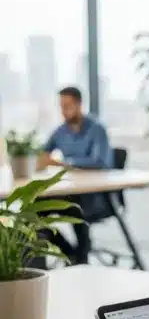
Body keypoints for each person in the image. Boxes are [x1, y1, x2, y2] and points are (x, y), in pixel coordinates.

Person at [38, 86, 114, 264]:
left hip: (95, 197)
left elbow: (101, 163)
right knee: (34, 209)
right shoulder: (61, 131)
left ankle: (81, 258)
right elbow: (43, 153)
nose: (64, 111)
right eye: (61, 106)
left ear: (79, 104)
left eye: (68, 106)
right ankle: (68, 252)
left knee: (75, 206)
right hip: (69, 191)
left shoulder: (96, 129)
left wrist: (65, 163)